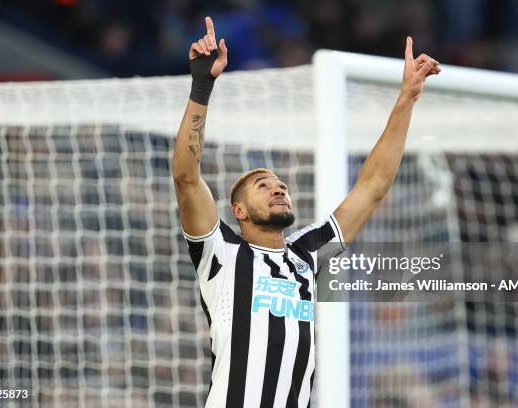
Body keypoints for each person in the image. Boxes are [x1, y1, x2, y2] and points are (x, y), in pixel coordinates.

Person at [172, 16, 441, 408]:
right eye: (263, 186)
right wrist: (202, 85)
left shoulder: (306, 254)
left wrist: (406, 99)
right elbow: (186, 177)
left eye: (280, 185)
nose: (278, 187)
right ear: (239, 211)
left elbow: (372, 187)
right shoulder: (221, 252)